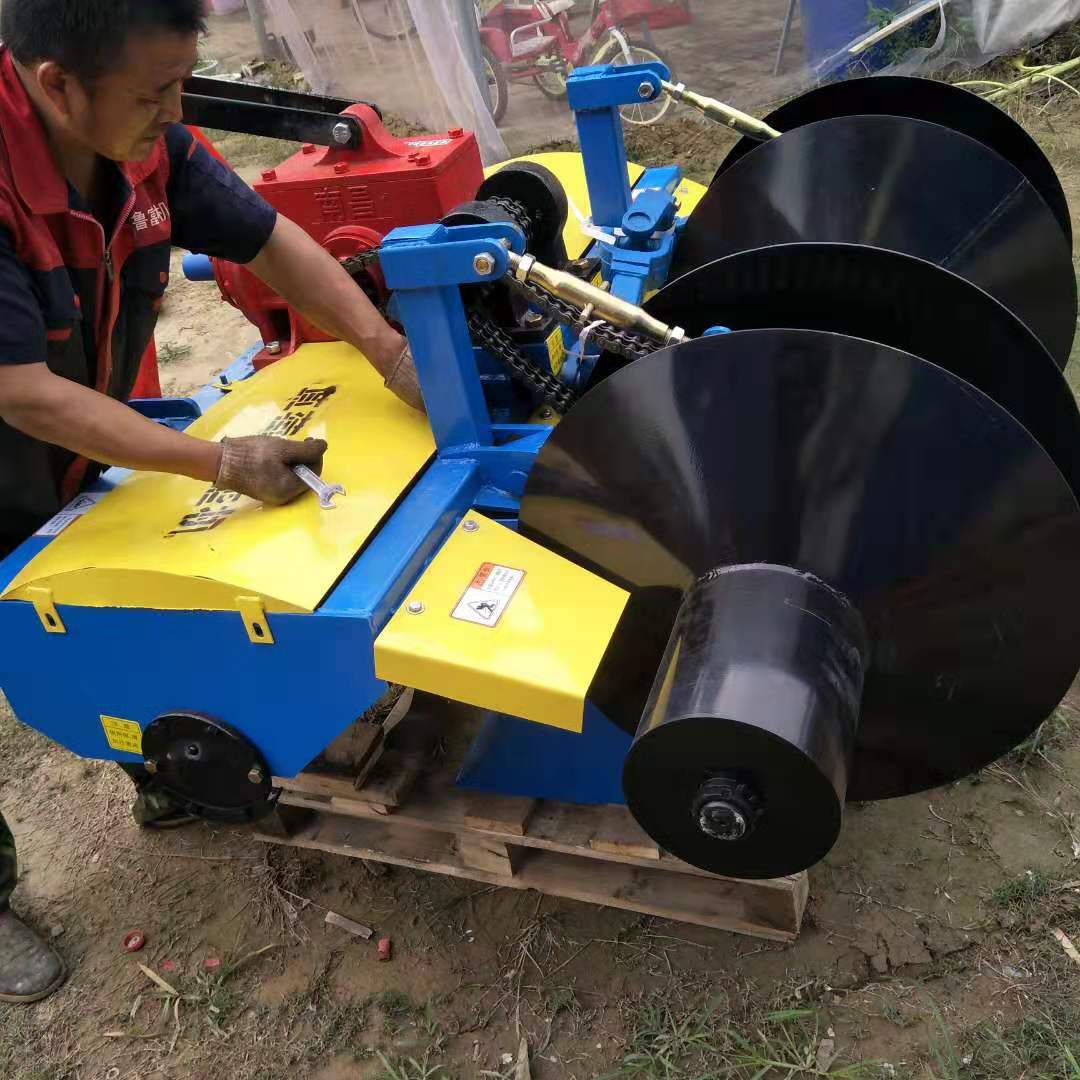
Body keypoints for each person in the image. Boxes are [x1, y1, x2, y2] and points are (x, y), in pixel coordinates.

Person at [0, 0, 424, 1003]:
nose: (176, 111)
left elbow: (272, 242)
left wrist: (390, 351)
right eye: (155, 92)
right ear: (56, 85)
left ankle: (167, 774)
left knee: (104, 588)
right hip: (25, 408)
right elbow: (20, 391)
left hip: (51, 445)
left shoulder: (146, 146)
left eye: (182, 82)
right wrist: (221, 462)